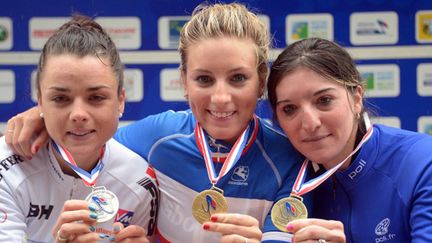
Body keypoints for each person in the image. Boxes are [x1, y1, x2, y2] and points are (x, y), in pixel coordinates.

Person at [5, 3, 308, 243]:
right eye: (204, 79)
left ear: (261, 82)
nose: (220, 98)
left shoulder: (289, 158)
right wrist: (43, 117)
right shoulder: (158, 136)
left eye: (238, 78)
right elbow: (91, 137)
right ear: (184, 82)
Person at [0, 15, 158, 243]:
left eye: (96, 97)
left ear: (121, 100)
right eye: (61, 98)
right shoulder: (7, 169)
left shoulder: (140, 182)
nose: (78, 115)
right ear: (40, 101)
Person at [267, 37, 432, 243]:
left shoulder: (421, 163)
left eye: (324, 100)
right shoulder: (284, 181)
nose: (310, 124)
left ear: (356, 99)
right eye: (289, 109)